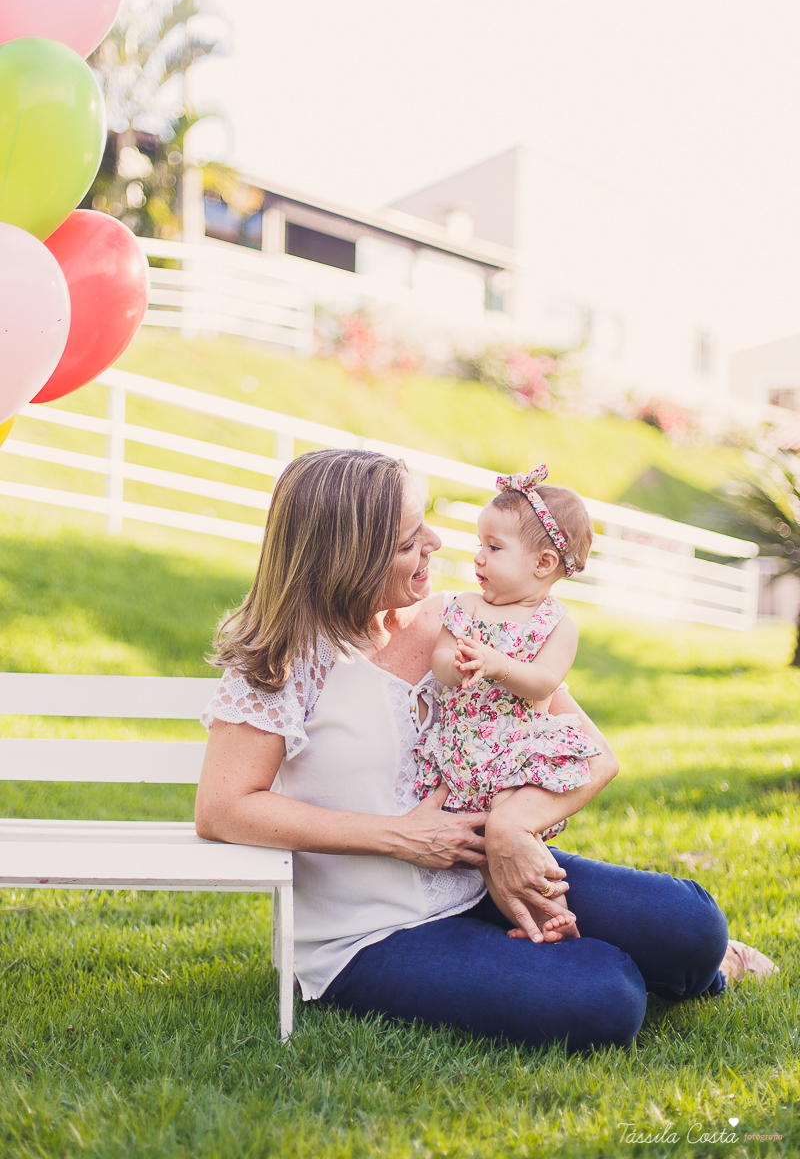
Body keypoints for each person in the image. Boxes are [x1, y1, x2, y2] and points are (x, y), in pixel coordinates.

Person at [195, 448, 768, 1053]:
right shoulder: (282, 661)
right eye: (410, 539)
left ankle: (692, 964)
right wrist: (402, 837)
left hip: (480, 878)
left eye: (428, 524)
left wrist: (508, 834)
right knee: (606, 997)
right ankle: (609, 970)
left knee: (692, 927)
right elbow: (225, 809)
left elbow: (595, 754)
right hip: (369, 934)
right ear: (349, 557)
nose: (437, 543)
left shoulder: (463, 621)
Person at [413, 464, 603, 936]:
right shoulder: (465, 607)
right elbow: (439, 658)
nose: (478, 558)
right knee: (485, 857)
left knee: (515, 837)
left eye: (494, 548)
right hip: (463, 750)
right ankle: (527, 921)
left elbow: (543, 683)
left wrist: (497, 665)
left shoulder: (556, 624)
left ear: (542, 564)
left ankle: (555, 915)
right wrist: (453, 667)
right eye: (480, 544)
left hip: (517, 751)